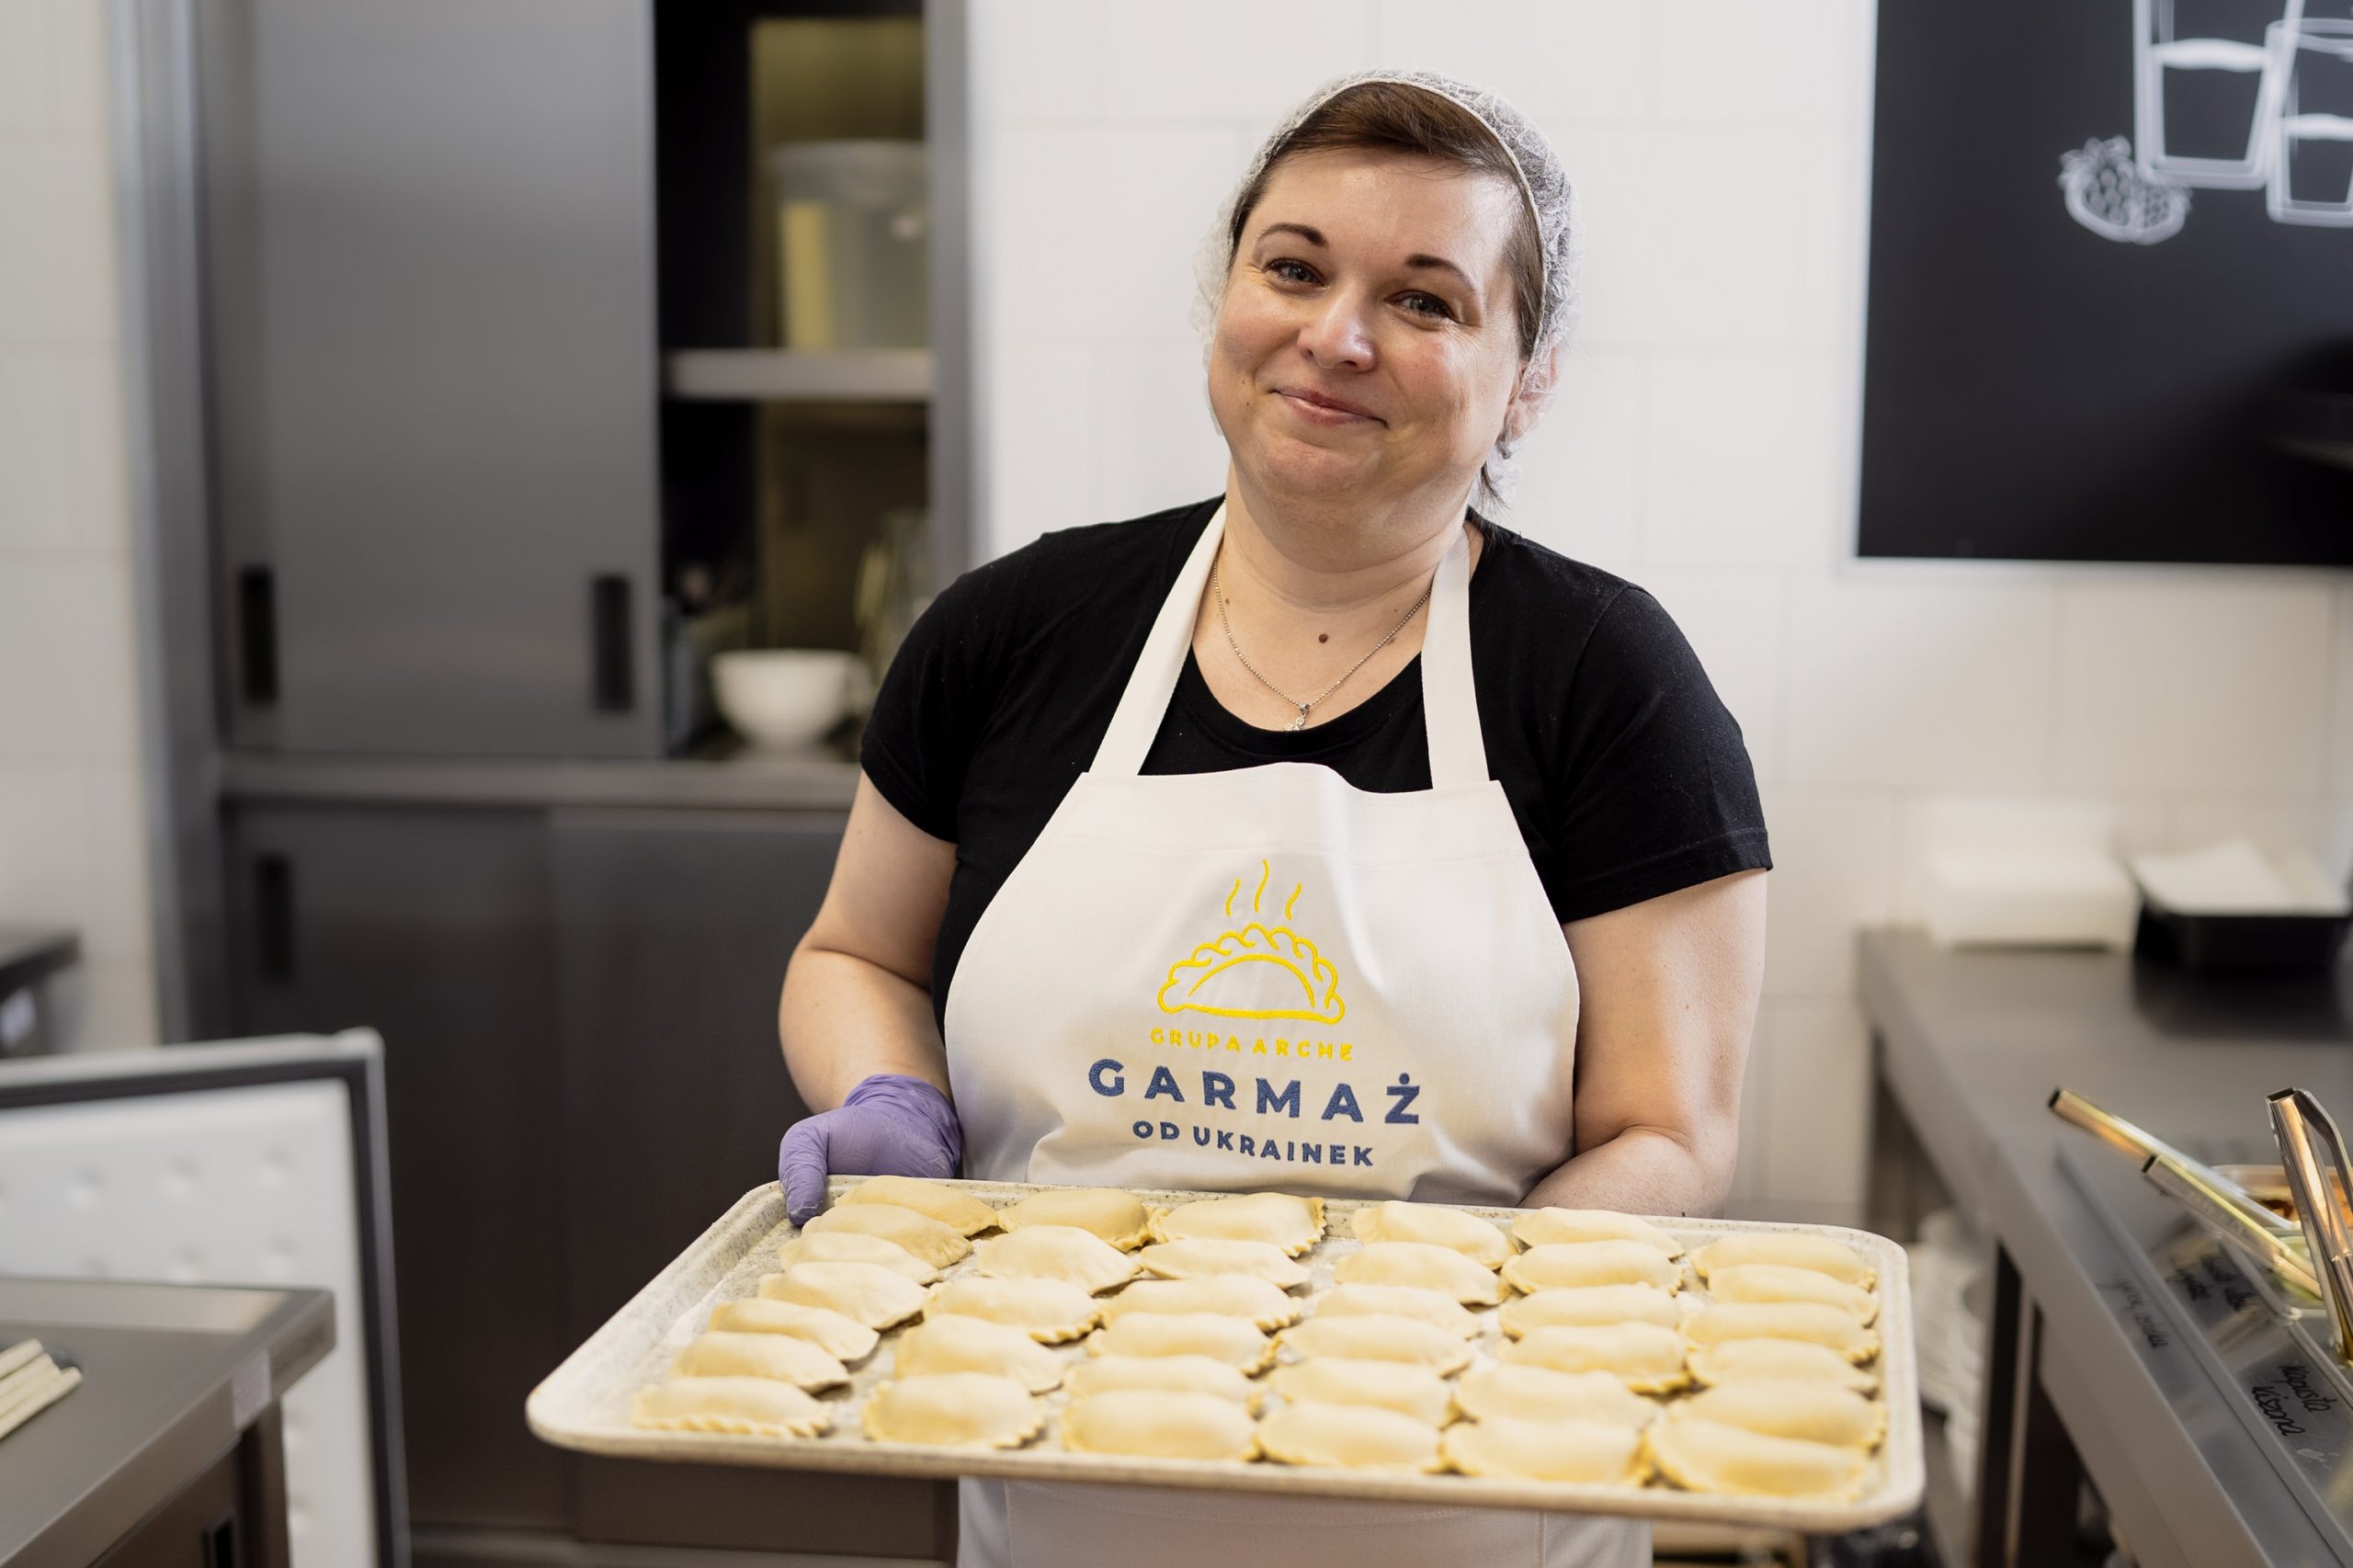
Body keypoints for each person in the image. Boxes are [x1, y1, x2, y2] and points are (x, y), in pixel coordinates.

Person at [777, 68, 1770, 1568]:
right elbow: (856, 952)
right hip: (1060, 1513)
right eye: (1295, 269)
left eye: (1425, 300)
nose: (1337, 336)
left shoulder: (1608, 679)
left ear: (1527, 375)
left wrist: (1421, 1315)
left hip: (1467, 1499)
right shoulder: (1014, 631)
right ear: (1226, 299)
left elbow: (1670, 1131)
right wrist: (889, 1099)